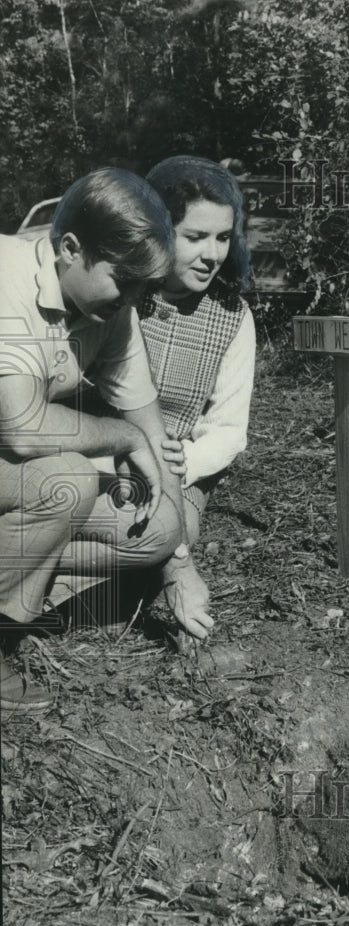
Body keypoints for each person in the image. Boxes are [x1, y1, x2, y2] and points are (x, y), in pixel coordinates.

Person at [0, 167, 212, 715]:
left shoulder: (110, 308)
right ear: (70, 248)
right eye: (125, 281)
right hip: (14, 450)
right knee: (66, 479)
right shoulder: (8, 275)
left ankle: (22, 573)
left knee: (161, 527)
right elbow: (21, 428)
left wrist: (181, 562)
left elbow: (149, 425)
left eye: (145, 286)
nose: (134, 300)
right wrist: (116, 438)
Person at [140, 155, 256, 621]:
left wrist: (181, 464)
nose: (212, 254)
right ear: (159, 231)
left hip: (182, 464)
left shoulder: (232, 317)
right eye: (195, 237)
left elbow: (228, 428)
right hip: (106, 453)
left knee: (169, 530)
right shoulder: (119, 293)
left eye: (223, 238)